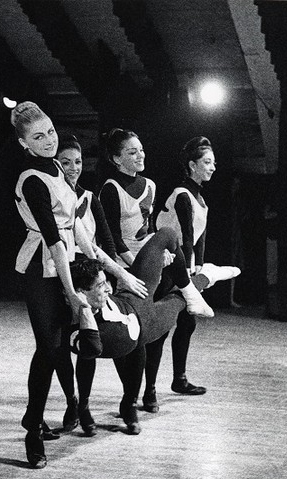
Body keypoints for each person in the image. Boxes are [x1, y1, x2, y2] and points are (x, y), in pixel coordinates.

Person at [12, 102, 147, 469]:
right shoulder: (32, 179)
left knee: (77, 343)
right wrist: (72, 292)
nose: (48, 140)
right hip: (41, 269)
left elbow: (82, 239)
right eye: (37, 136)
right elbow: (54, 240)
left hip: (69, 263)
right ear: (24, 143)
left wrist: (118, 273)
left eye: (50, 132)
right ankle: (33, 431)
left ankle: (75, 408)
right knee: (48, 349)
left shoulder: (58, 171)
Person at [69, 227, 236, 436]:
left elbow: (96, 250)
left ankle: (129, 404)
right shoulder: (82, 324)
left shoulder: (105, 291)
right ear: (81, 293)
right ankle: (208, 275)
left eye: (105, 284)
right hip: (147, 322)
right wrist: (84, 308)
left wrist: (122, 274)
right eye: (102, 286)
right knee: (175, 302)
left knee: (168, 234)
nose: (107, 289)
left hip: (134, 292)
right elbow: (91, 350)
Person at [143, 137, 240, 411]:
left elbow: (199, 239)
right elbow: (184, 238)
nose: (213, 168)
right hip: (168, 270)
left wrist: (201, 267)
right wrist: (188, 278)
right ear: (192, 165)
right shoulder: (182, 194)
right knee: (161, 330)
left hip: (186, 268)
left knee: (188, 324)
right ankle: (149, 391)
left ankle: (180, 379)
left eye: (213, 162)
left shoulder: (200, 198)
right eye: (207, 162)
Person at [99, 128, 156, 268]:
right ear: (117, 159)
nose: (140, 155)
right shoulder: (111, 188)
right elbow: (112, 236)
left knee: (168, 236)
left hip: (147, 256)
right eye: (132, 152)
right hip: (124, 263)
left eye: (141, 150)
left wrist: (158, 254)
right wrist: (135, 266)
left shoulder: (150, 185)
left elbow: (151, 227)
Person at [56, 134, 116, 261]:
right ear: (55, 164)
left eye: (78, 162)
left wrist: (113, 278)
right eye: (66, 163)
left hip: (89, 268)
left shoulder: (89, 198)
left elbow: (107, 241)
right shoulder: (51, 199)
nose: (74, 168)